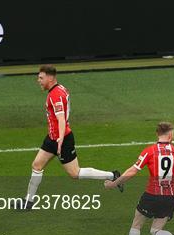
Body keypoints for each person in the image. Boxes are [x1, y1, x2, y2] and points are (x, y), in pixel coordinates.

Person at [18, 65, 122, 210]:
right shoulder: (60, 88)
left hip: (62, 138)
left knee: (75, 173)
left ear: (50, 77)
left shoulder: (55, 95)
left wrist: (60, 140)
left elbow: (61, 119)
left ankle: (112, 175)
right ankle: (28, 202)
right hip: (52, 137)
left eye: (41, 78)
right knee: (37, 165)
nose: (38, 81)